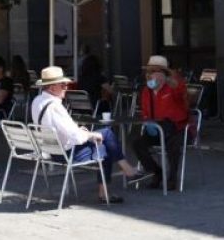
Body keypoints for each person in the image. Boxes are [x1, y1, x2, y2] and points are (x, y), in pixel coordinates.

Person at [30, 66, 147, 204]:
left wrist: (84, 132)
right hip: (65, 152)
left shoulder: (37, 101)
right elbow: (74, 137)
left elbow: (65, 130)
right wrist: (89, 135)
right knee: (104, 145)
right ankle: (115, 182)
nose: (66, 87)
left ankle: (123, 170)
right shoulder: (55, 107)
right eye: (63, 84)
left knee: (105, 135)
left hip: (52, 149)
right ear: (51, 87)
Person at [132, 55, 189, 190]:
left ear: (164, 74)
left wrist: (173, 83)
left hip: (175, 127)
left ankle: (172, 178)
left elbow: (184, 100)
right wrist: (147, 122)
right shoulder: (147, 91)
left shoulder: (174, 86)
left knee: (173, 144)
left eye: (156, 71)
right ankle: (156, 172)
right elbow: (145, 112)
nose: (152, 75)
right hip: (155, 128)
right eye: (150, 72)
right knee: (136, 143)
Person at [77, 45, 112, 112]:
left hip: (81, 108)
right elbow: (110, 91)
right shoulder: (99, 77)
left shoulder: (81, 78)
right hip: (95, 107)